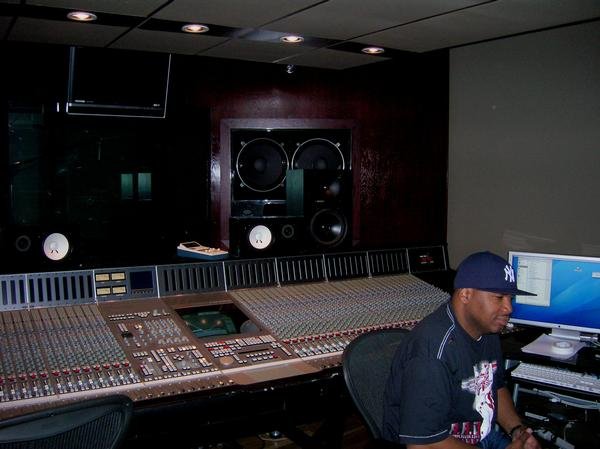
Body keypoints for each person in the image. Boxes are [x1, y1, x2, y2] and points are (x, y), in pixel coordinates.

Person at [382, 251, 541, 449]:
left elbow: (495, 387)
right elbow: (422, 445)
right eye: (499, 297)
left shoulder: (488, 330)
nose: (509, 308)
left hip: (480, 435)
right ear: (466, 294)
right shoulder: (432, 353)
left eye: (510, 298)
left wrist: (517, 431)